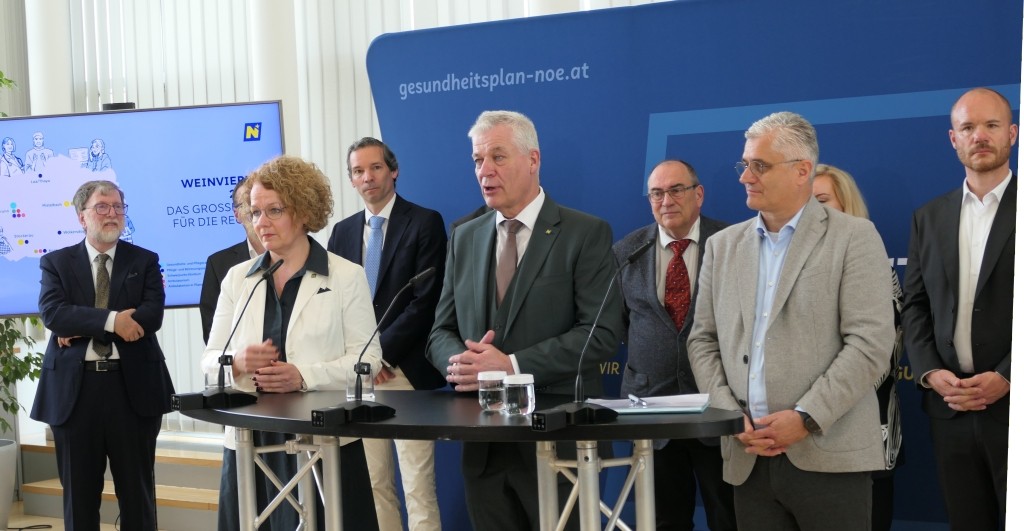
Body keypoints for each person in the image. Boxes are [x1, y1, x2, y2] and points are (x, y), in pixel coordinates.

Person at [687, 111, 894, 531]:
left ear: (802, 170)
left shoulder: (854, 237)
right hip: (748, 457)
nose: (746, 176)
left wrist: (804, 417)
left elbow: (870, 346)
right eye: (744, 164)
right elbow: (702, 342)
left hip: (828, 453)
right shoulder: (723, 246)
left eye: (759, 166)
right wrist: (730, 417)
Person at [426, 110, 622, 530]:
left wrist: (510, 367)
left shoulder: (585, 233)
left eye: (498, 157)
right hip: (483, 441)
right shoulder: (465, 236)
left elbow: (600, 334)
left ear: (533, 160)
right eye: (478, 160)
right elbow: (440, 331)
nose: (485, 170)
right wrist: (462, 364)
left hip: (559, 435)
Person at [201, 156, 382, 531]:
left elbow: (369, 363)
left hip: (322, 437)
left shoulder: (346, 276)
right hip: (251, 435)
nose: (261, 223)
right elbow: (209, 360)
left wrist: (303, 376)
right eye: (255, 212)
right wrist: (234, 363)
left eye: (274, 211)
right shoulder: (237, 279)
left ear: (302, 212)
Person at [902, 87, 1015, 531]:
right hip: (949, 409)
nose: (979, 136)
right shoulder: (928, 217)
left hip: (1015, 407)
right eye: (968, 127)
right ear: (954, 139)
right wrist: (929, 372)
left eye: (990, 125)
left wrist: (1008, 375)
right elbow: (915, 306)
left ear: (1013, 133)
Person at [32, 180, 175, 530]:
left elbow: (150, 317)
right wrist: (112, 320)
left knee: (138, 498)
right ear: (82, 216)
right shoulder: (56, 263)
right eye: (102, 207)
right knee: (79, 501)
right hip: (75, 395)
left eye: (118, 207)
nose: (112, 214)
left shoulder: (144, 260)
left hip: (133, 392)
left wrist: (82, 324)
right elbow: (53, 315)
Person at [327, 137, 447, 531]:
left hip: (403, 370)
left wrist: (382, 355)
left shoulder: (425, 222)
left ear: (393, 170)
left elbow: (424, 302)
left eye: (375, 167)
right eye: (358, 171)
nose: (368, 177)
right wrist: (361, 362)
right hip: (360, 378)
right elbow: (336, 307)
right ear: (350, 180)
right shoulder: (341, 234)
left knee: (417, 484)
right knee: (375, 483)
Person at [615, 159, 735, 531]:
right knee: (663, 520)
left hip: (719, 406)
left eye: (676, 189)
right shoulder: (627, 251)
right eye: (656, 192)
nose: (665, 200)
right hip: (652, 411)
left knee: (730, 516)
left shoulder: (733, 242)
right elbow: (618, 325)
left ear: (698, 194)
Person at [813, 163, 904, 531]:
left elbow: (881, 358)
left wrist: (818, 401)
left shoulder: (876, 266)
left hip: (866, 431)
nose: (811, 211)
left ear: (846, 205)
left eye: (822, 200)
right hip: (796, 442)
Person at [199, 179, 265, 343]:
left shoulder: (294, 256)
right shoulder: (218, 264)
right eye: (246, 202)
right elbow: (212, 333)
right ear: (236, 215)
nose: (252, 208)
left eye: (258, 202)